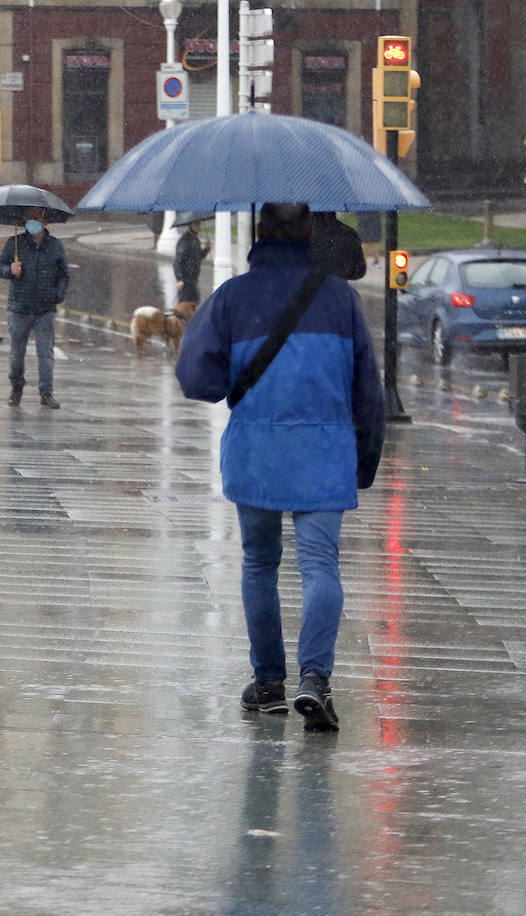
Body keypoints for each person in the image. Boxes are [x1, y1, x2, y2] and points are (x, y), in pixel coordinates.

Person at [175, 202, 385, 732]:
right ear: (312, 233)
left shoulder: (232, 298)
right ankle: (316, 679)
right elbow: (369, 392)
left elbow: (197, 378)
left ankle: (269, 681)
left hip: (257, 454)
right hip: (324, 452)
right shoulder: (341, 299)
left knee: (259, 563)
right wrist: (364, 461)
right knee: (320, 565)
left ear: (260, 231)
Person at [0, 207, 70, 408]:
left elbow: (63, 274)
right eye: (29, 219)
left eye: (37, 218)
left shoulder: (55, 246)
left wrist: (57, 294)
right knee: (17, 354)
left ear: (45, 222)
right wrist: (9, 269)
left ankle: (46, 392)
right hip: (20, 307)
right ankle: (16, 387)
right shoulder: (15, 244)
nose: (32, 222)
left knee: (45, 353)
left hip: (45, 309)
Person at [309, 211, 366, 281]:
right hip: (339, 287)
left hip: (308, 287)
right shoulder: (348, 233)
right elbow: (359, 271)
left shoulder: (302, 236)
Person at [173, 215, 212, 311]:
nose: (199, 227)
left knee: (194, 307)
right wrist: (180, 279)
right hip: (186, 282)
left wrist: (206, 249)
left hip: (193, 281)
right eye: (197, 224)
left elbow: (198, 258)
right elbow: (177, 261)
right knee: (185, 309)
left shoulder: (196, 240)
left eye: (199, 224)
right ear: (190, 225)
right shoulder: (184, 241)